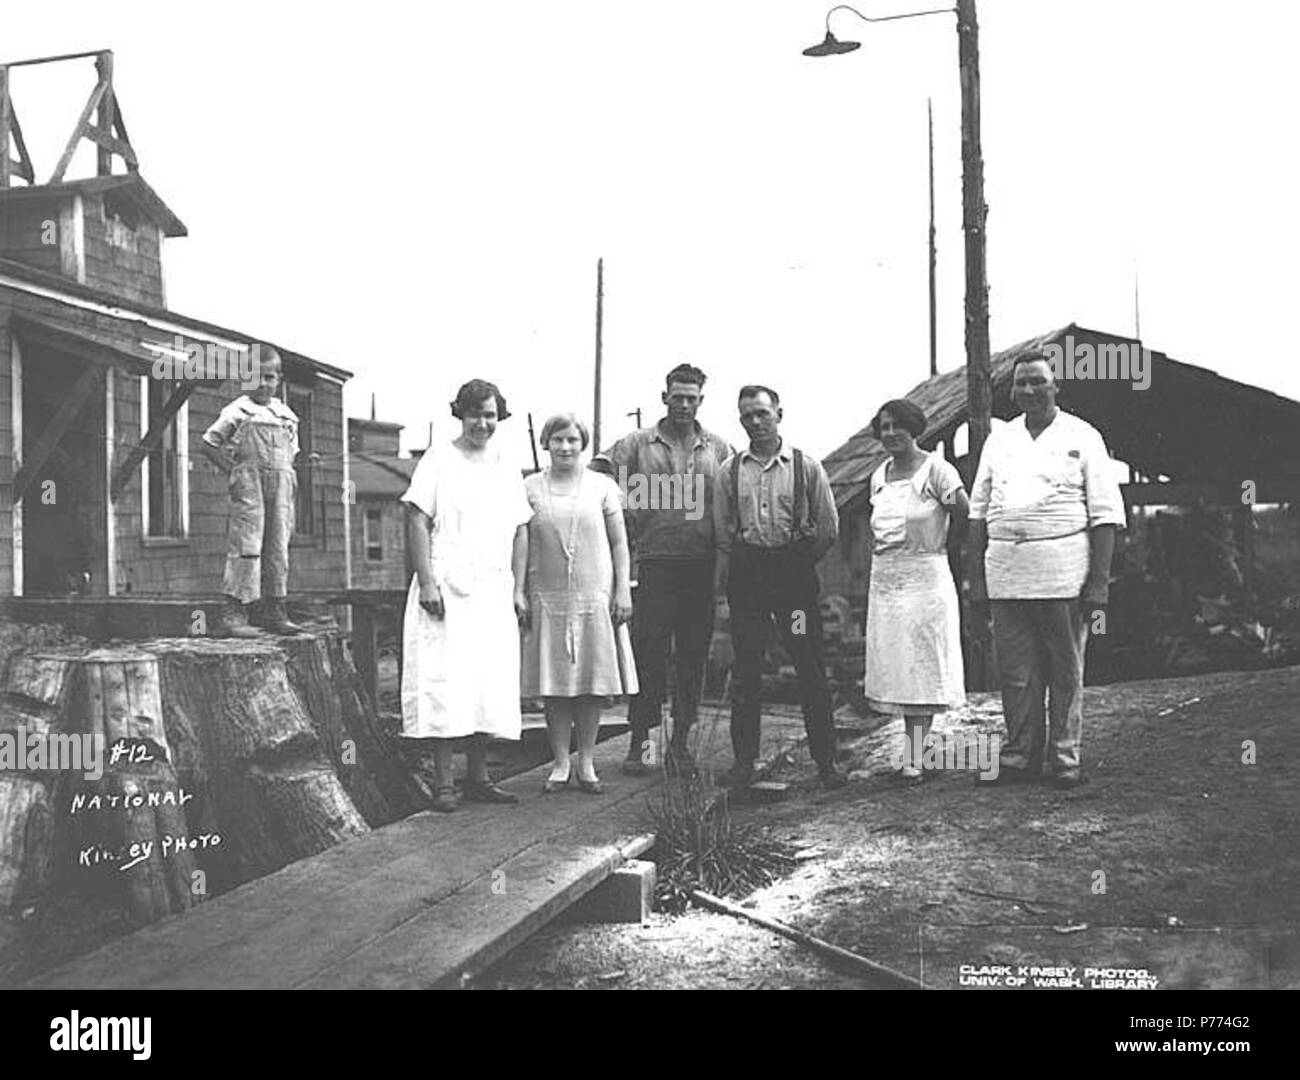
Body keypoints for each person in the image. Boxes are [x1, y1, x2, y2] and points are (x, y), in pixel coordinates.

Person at [969, 354, 1125, 788]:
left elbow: (1106, 515)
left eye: (1039, 382)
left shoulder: (1083, 435)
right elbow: (977, 513)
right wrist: (976, 580)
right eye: (1022, 384)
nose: (1030, 391)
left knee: (1065, 669)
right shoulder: (999, 441)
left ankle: (1064, 758)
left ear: (1056, 388)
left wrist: (1099, 584)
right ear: (1013, 391)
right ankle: (1019, 755)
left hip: (1063, 572)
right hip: (1006, 570)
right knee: (1015, 672)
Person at [591, 364, 731, 776]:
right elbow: (597, 473)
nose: (684, 404)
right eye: (677, 396)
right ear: (665, 396)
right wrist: (620, 506)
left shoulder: (718, 449)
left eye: (691, 397)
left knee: (692, 656)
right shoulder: (638, 445)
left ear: (700, 401)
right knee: (649, 654)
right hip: (653, 564)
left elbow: (737, 492)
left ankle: (682, 742)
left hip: (701, 567)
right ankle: (642, 742)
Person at [399, 379, 532, 813]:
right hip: (447, 585)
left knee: (485, 682)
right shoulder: (439, 459)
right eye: (475, 414)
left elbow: (520, 528)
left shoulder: (505, 464)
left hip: (492, 589)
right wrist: (429, 581)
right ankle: (443, 782)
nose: (483, 423)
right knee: (445, 680)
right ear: (461, 414)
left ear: (500, 417)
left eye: (491, 415)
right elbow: (416, 519)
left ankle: (479, 776)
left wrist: (519, 588)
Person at [713, 386, 847, 790]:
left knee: (808, 664)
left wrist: (798, 561)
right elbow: (722, 531)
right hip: (749, 578)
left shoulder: (806, 466)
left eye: (762, 414)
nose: (755, 422)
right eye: (747, 416)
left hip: (793, 582)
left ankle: (826, 762)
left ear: (778, 415)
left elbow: (828, 528)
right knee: (747, 667)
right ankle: (743, 762)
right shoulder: (729, 471)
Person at [520, 414, 636, 794]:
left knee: (590, 683)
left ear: (582, 444)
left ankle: (586, 760)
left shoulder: (602, 486)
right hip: (548, 597)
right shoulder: (530, 487)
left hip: (594, 596)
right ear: (546, 444)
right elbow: (520, 543)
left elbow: (620, 543)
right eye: (558, 440)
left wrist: (623, 591)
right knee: (555, 685)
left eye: (572, 440)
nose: (565, 447)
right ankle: (559, 761)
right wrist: (518, 591)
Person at [862, 399, 968, 782]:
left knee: (922, 666)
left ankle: (916, 756)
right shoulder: (879, 475)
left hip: (926, 577)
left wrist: (940, 547)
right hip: (887, 581)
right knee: (898, 665)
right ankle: (911, 752)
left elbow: (963, 512)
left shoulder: (937, 470)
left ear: (914, 428)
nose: (891, 433)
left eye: (898, 426)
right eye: (884, 426)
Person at [201, 344, 304, 637]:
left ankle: (275, 611)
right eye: (256, 377)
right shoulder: (237, 411)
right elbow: (208, 444)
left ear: (278, 379)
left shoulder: (286, 416)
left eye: (269, 377)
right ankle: (234, 613)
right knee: (247, 545)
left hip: (281, 488)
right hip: (250, 486)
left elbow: (292, 455)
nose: (263, 383)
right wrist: (232, 471)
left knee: (278, 546)